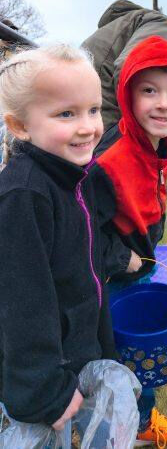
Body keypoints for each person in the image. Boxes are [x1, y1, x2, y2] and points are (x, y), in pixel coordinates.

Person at [0, 45, 129, 430]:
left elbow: (88, 253)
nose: (88, 126)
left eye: (93, 109)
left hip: (79, 348)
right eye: (66, 114)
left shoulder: (78, 174)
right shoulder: (23, 197)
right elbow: (21, 304)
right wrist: (45, 391)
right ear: (20, 126)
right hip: (46, 377)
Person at [93, 35, 167, 447]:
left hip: (139, 264)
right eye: (149, 90)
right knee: (127, 355)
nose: (163, 103)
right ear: (128, 95)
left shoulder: (157, 145)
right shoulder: (111, 159)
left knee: (136, 352)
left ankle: (137, 417)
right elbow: (82, 230)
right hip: (114, 275)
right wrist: (126, 260)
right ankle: (132, 426)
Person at [82, 0, 167, 131]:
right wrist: (137, 133)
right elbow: (126, 68)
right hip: (104, 102)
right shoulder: (166, 28)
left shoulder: (131, 24)